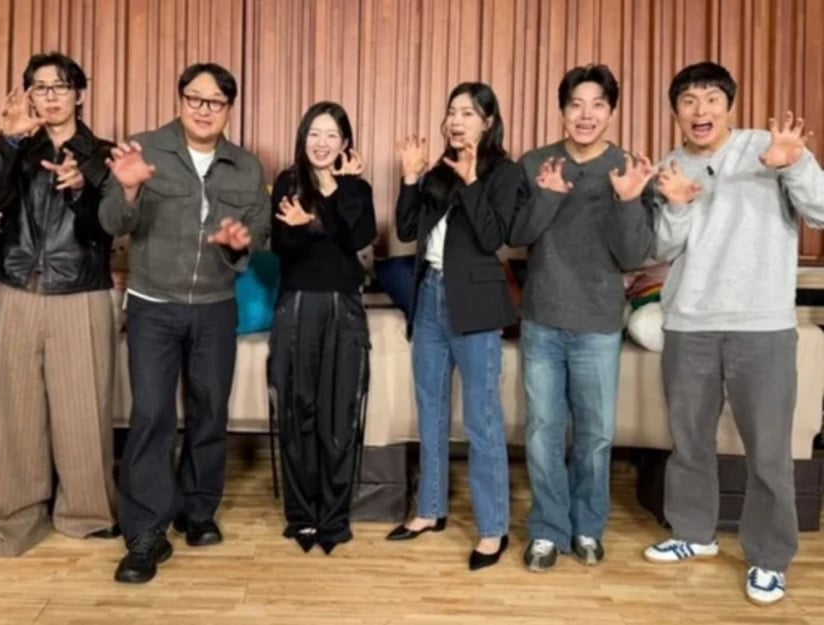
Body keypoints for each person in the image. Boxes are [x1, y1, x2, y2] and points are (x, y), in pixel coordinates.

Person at [643, 61, 824, 606]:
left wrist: (794, 166)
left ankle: (769, 558)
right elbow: (660, 249)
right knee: (689, 442)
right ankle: (693, 532)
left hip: (761, 325)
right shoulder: (670, 166)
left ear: (729, 106)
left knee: (768, 450)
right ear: (675, 111)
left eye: (711, 99)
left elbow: (820, 210)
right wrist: (677, 206)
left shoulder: (770, 149)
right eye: (689, 101)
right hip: (689, 322)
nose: (700, 110)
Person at [99, 62, 271, 584]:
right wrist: (129, 191)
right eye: (195, 98)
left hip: (216, 305)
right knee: (151, 412)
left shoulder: (246, 166)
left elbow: (258, 232)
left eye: (215, 101)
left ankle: (198, 510)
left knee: (209, 410)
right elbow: (111, 223)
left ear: (228, 109)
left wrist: (241, 243)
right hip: (153, 304)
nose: (203, 109)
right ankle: (145, 533)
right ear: (180, 99)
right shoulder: (145, 149)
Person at [508, 64, 656, 572]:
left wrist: (629, 200)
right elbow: (516, 235)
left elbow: (633, 255)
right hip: (543, 318)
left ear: (611, 111)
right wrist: (549, 195)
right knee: (543, 432)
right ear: (562, 110)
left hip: (598, 322)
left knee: (595, 435)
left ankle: (588, 525)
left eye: (597, 105)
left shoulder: (628, 166)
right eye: (576, 104)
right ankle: (548, 528)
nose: (586, 114)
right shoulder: (536, 163)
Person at [0, 52, 119, 557]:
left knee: (84, 409)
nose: (50, 96)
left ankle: (87, 514)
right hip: (19, 285)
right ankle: (15, 518)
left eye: (60, 86)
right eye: (40, 87)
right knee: (14, 409)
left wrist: (82, 189)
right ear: (29, 96)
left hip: (80, 288)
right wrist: (8, 140)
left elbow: (109, 226)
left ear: (79, 94)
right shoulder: (19, 145)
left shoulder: (102, 154)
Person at [384, 82, 520, 571]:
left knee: (482, 419)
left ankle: (492, 528)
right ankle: (430, 509)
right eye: (452, 112)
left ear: (488, 121)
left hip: (476, 304)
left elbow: (492, 237)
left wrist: (472, 180)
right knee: (431, 409)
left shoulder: (504, 172)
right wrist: (410, 177)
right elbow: (406, 231)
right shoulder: (439, 170)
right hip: (430, 297)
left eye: (468, 112)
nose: (457, 120)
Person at [268, 101, 376, 555]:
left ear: (345, 143)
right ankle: (302, 516)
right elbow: (283, 248)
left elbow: (358, 238)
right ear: (303, 137)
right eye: (315, 133)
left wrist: (332, 196)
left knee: (339, 412)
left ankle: (333, 517)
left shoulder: (356, 188)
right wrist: (303, 228)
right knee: (299, 410)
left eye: (332, 135)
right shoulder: (288, 183)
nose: (322, 142)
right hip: (298, 304)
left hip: (343, 306)